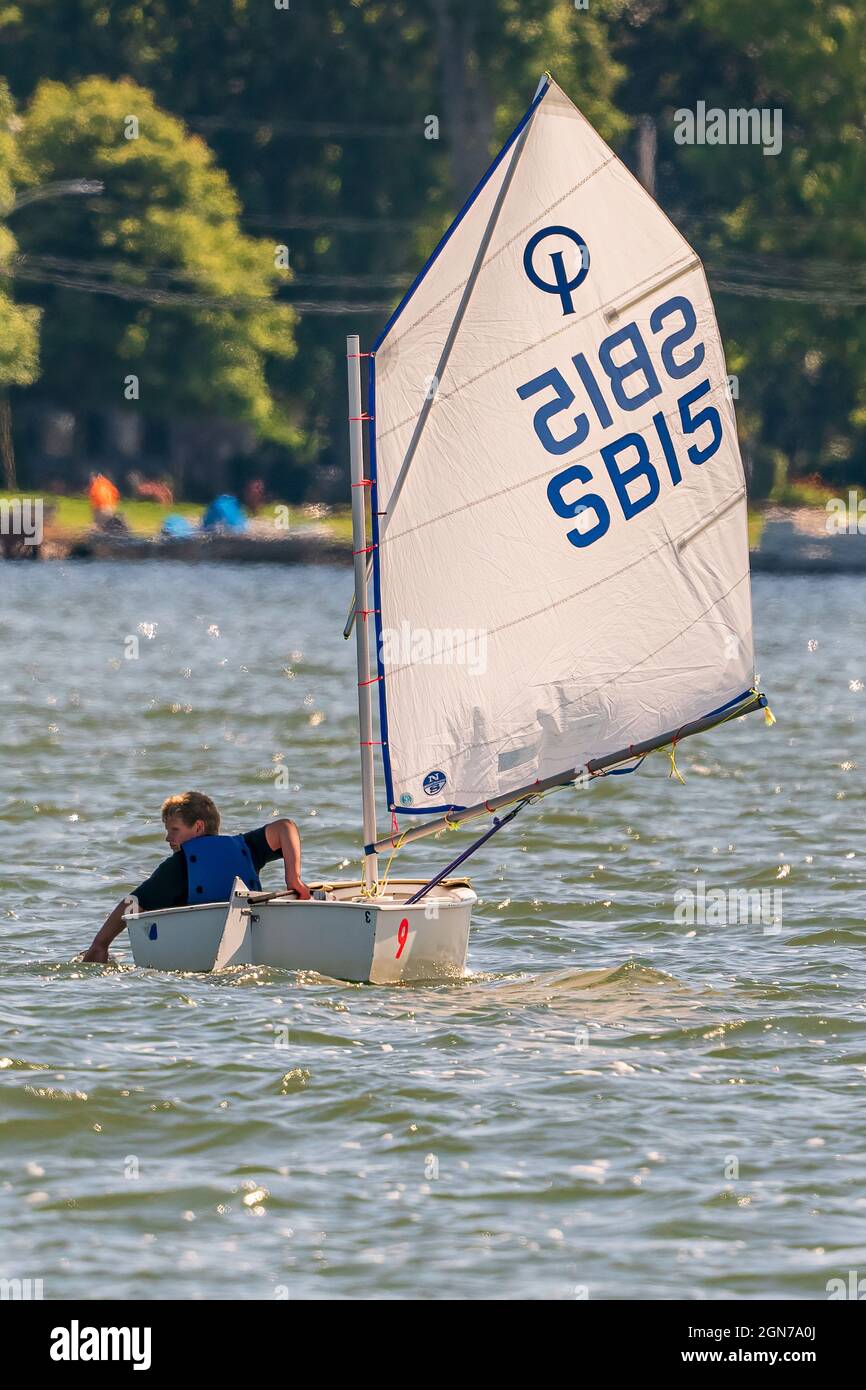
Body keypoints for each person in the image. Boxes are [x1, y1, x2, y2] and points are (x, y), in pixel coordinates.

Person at [82, 791, 310, 963]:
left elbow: (131, 904)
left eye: (174, 830)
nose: (167, 838)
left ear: (198, 827)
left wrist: (100, 945)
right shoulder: (246, 846)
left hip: (203, 956)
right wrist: (294, 878)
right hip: (253, 945)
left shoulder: (178, 867)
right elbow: (285, 827)